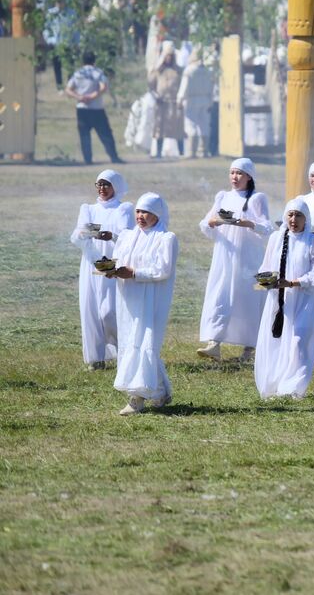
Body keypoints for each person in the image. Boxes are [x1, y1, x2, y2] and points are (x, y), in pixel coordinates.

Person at [104, 192, 178, 415]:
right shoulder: (127, 236)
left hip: (151, 298)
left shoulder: (167, 238)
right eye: (138, 211)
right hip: (128, 298)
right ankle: (161, 390)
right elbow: (119, 262)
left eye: (146, 212)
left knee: (145, 341)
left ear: (157, 215)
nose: (141, 216)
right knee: (130, 340)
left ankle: (137, 398)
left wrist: (135, 273)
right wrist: (111, 271)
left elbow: (163, 270)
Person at [197, 158, 273, 362]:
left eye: (239, 173)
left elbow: (267, 228)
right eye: (232, 172)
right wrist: (212, 223)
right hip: (224, 255)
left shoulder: (257, 198)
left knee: (247, 299)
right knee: (219, 294)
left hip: (247, 256)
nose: (235, 177)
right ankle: (214, 342)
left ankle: (250, 348)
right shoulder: (222, 196)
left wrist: (246, 223)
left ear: (249, 176)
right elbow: (205, 222)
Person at [253, 198, 314, 400]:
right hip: (278, 300)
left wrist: (293, 283)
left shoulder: (313, 240)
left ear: (306, 218)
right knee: (277, 342)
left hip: (304, 299)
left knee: (299, 341)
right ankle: (275, 384)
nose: (294, 219)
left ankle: (294, 387)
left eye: (299, 215)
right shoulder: (276, 238)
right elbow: (265, 267)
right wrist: (266, 280)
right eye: (291, 215)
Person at [70, 169, 134, 370]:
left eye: (106, 185)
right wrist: (84, 234)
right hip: (91, 262)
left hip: (112, 263)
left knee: (109, 311)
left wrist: (112, 236)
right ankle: (95, 358)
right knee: (91, 310)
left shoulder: (124, 209)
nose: (102, 189)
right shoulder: (88, 208)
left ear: (115, 186)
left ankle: (123, 350)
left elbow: (130, 236)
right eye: (99, 184)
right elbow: (75, 236)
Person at [64, 51, 123, 165]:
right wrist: (92, 96)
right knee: (105, 134)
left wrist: (79, 97)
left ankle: (88, 159)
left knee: (84, 135)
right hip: (96, 108)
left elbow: (68, 89)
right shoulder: (98, 73)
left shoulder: (78, 73)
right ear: (94, 61)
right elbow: (103, 87)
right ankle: (114, 157)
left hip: (81, 108)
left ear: (83, 61)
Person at [148, 43, 185, 158]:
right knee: (160, 128)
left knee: (178, 129)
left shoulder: (178, 70)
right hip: (162, 103)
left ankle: (181, 152)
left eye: (171, 56)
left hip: (175, 103)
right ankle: (158, 153)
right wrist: (156, 96)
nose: (169, 58)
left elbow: (182, 86)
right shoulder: (158, 70)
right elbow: (151, 86)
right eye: (167, 56)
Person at [177, 47, 214, 158]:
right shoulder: (208, 70)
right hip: (205, 100)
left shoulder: (189, 70)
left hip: (192, 100)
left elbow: (184, 87)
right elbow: (212, 87)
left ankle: (191, 151)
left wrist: (180, 100)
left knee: (190, 124)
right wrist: (210, 102)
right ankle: (203, 151)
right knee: (204, 125)